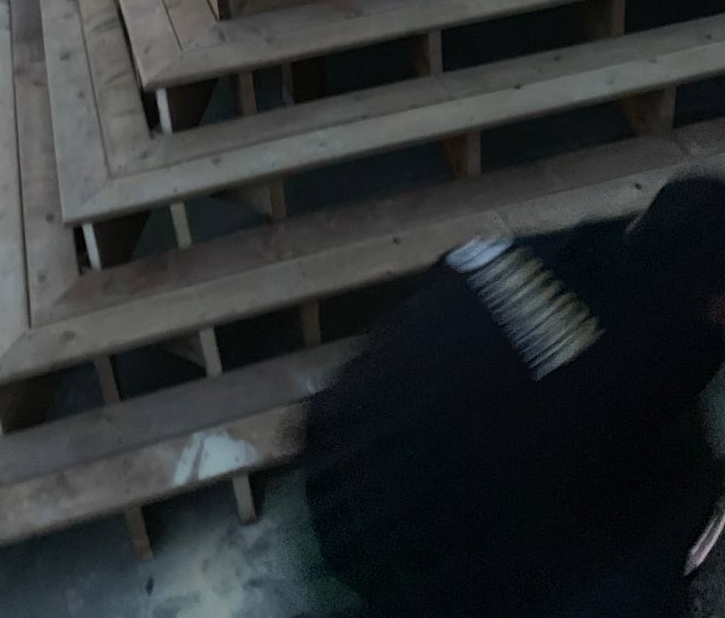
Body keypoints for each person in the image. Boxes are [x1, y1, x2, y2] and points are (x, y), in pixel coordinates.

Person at [303, 174, 725, 618]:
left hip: (330, 464)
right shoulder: (629, 375)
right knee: (669, 523)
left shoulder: (528, 247)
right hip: (380, 553)